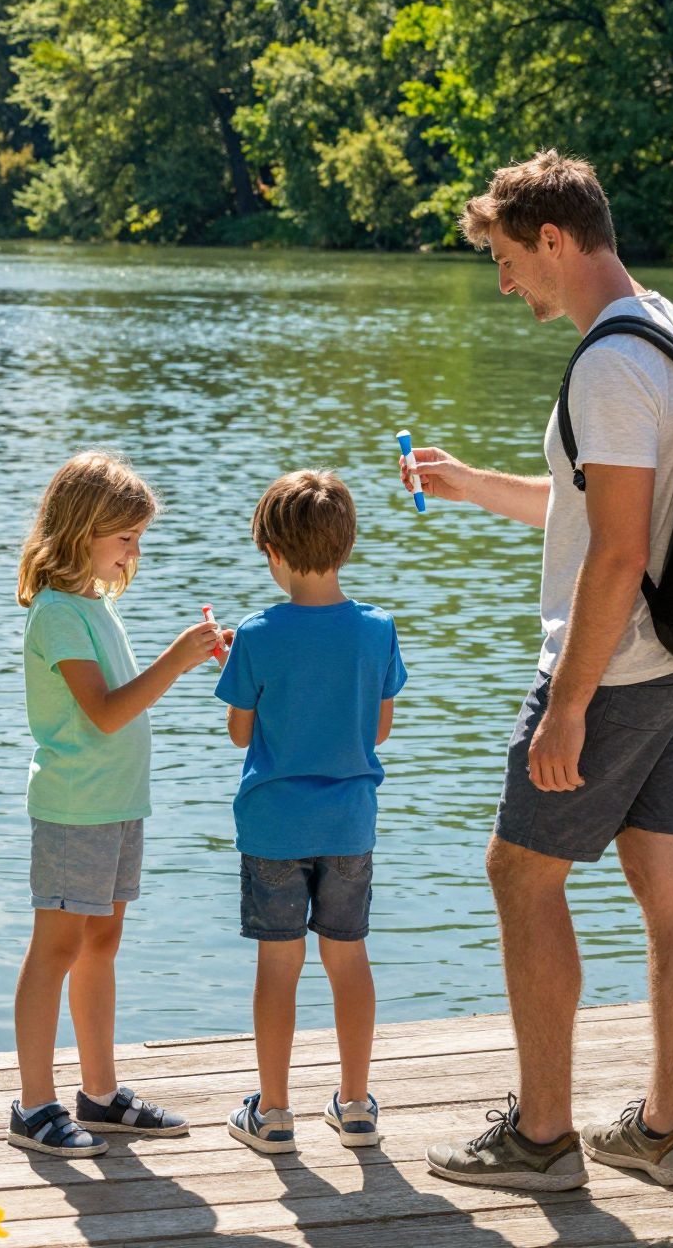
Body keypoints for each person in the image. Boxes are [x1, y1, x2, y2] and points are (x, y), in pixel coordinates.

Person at [409, 150, 673, 1191]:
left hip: (617, 668)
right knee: (664, 883)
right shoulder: (668, 326)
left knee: (519, 871)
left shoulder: (606, 362)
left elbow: (616, 552)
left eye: (506, 261)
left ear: (552, 239)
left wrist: (568, 705)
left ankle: (542, 1139)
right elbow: (599, 508)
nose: (504, 285)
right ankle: (664, 1132)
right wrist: (471, 487)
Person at [9, 451, 227, 1158]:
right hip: (75, 807)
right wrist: (175, 661)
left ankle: (99, 1094)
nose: (134, 552)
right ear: (82, 531)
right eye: (124, 538)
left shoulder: (95, 606)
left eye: (137, 538)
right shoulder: (58, 614)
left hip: (117, 805)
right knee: (57, 947)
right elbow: (103, 714)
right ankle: (34, 1105)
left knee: (102, 942)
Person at [215, 471, 403, 1157]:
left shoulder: (259, 635)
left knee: (279, 965)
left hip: (273, 827)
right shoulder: (377, 631)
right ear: (345, 546)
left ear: (271, 550)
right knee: (348, 959)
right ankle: (355, 1106)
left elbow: (240, 733)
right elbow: (378, 730)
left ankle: (273, 1113)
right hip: (349, 824)